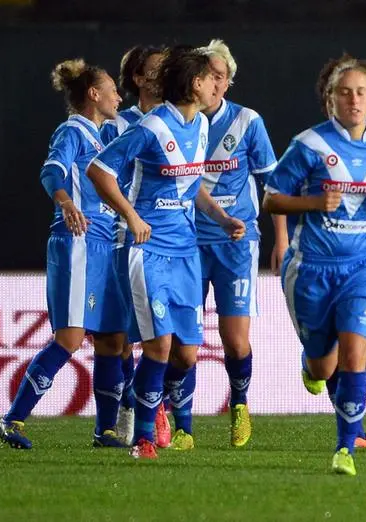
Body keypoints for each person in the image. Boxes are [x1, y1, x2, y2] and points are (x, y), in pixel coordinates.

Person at [87, 47, 246, 460]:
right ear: (195, 83)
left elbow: (191, 188)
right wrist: (131, 217)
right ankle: (142, 439)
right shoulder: (153, 126)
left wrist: (223, 218)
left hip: (185, 252)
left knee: (187, 353)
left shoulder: (203, 128)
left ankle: (145, 399)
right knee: (158, 346)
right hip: (145, 248)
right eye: (212, 77)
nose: (218, 84)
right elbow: (99, 171)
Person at [263, 54, 366, 476]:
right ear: (329, 100)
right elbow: (272, 197)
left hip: (365, 266)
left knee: (356, 352)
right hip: (311, 269)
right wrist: (314, 202)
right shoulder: (309, 145)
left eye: (360, 92)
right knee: (323, 365)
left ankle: (345, 448)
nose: (353, 99)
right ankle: (310, 363)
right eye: (344, 92)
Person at [0, 58, 129, 450]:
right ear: (93, 94)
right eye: (112, 89)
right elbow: (51, 170)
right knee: (70, 337)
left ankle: (105, 431)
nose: (118, 96)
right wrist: (66, 202)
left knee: (111, 340)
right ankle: (11, 419)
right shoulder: (72, 131)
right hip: (79, 242)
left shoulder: (107, 137)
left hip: (106, 246)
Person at [155, 38, 278, 449]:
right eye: (209, 75)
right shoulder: (180, 126)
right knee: (183, 347)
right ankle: (182, 426)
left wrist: (280, 237)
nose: (215, 83)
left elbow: (271, 183)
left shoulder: (247, 122)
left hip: (237, 244)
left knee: (235, 339)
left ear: (228, 83)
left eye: (221, 77)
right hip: (187, 242)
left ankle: (240, 406)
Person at [101, 44, 168, 448]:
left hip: (174, 240)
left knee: (169, 337)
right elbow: (99, 176)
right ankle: (130, 410)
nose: (164, 75)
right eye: (156, 70)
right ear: (139, 78)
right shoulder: (118, 125)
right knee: (124, 335)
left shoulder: (181, 121)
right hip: (125, 237)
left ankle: (149, 409)